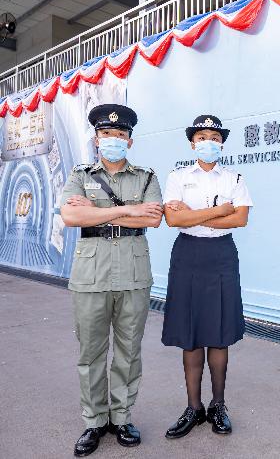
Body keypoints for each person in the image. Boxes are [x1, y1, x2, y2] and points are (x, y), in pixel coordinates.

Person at [59, 104, 163, 457]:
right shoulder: (79, 174)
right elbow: (71, 215)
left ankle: (121, 417)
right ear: (96, 139)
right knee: (90, 353)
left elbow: (152, 221)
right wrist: (126, 210)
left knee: (128, 352)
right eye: (106, 134)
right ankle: (94, 422)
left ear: (130, 141)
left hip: (134, 275)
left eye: (120, 135)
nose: (113, 140)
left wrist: (97, 211)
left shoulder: (146, 177)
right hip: (90, 275)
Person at [160, 114, 252, 438]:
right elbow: (173, 220)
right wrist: (218, 211)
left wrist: (195, 217)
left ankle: (218, 405)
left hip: (221, 256)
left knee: (219, 333)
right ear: (192, 143)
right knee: (191, 332)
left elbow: (240, 219)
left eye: (214, 137)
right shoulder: (177, 176)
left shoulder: (234, 178)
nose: (208, 143)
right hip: (187, 255)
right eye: (202, 137)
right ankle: (194, 407)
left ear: (221, 142)